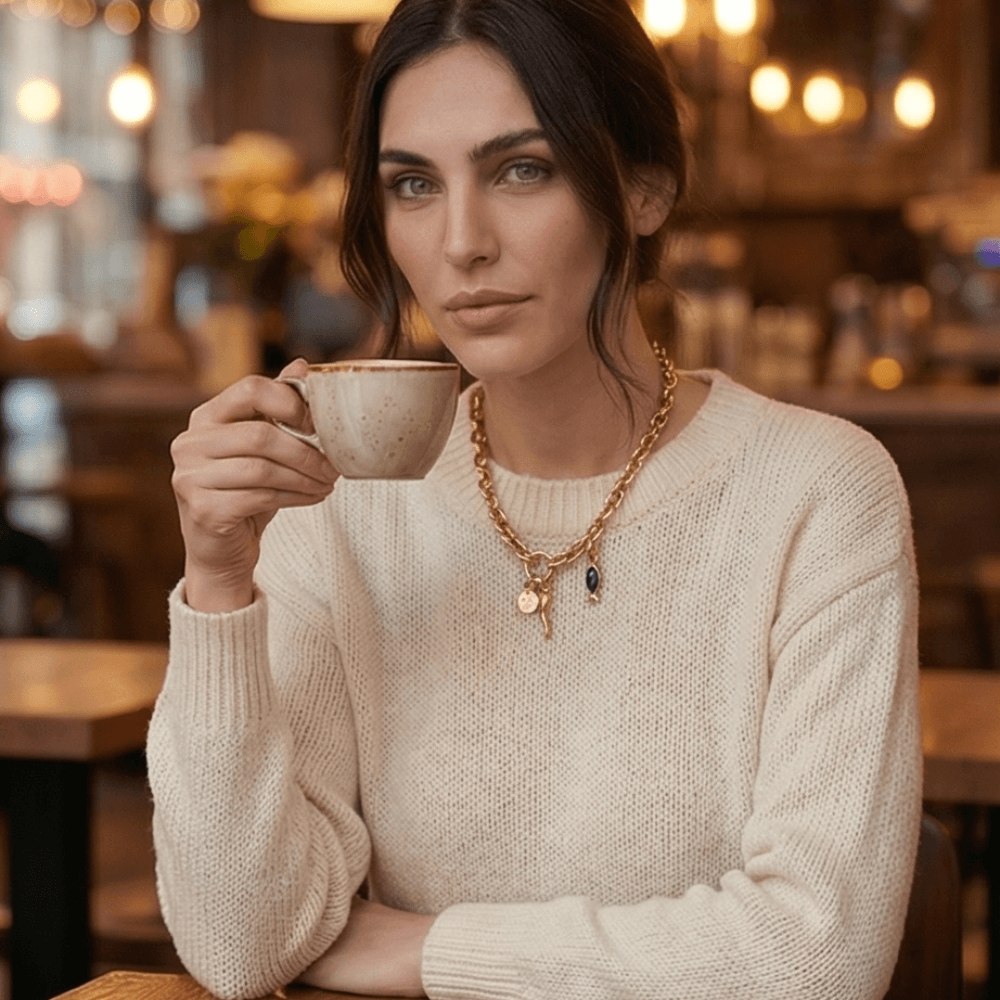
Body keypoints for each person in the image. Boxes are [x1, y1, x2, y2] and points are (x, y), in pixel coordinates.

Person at [148, 1, 922, 998]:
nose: (461, 243)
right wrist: (216, 584)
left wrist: (422, 950)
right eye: (413, 184)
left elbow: (817, 953)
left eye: (522, 168)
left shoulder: (814, 491)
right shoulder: (339, 506)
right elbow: (240, 946)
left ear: (644, 186)